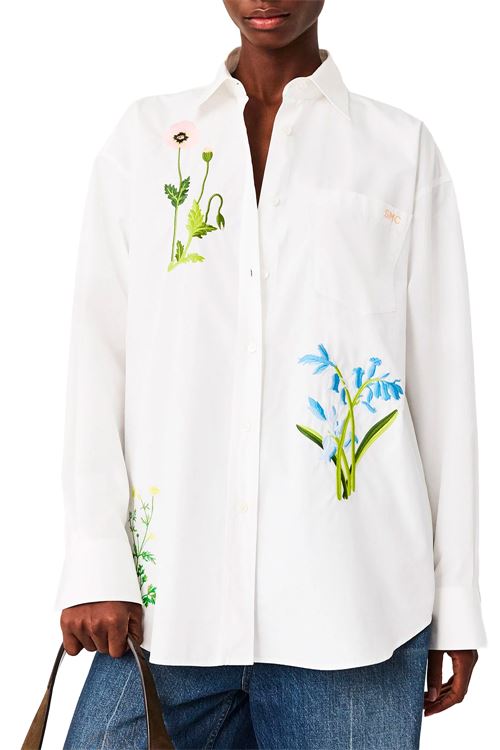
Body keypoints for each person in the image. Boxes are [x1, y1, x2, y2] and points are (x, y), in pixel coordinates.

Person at [56, 1, 487, 748]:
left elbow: (444, 386)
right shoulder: (146, 142)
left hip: (354, 614)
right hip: (170, 607)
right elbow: (99, 361)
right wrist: (96, 562)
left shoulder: (400, 150)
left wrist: (457, 600)